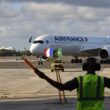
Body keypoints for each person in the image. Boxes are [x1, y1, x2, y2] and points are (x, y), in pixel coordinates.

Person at [34, 57, 110, 110]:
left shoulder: (79, 80)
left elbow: (61, 87)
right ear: (97, 67)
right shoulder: (102, 80)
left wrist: (45, 77)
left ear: (84, 67)